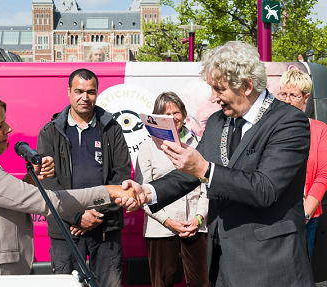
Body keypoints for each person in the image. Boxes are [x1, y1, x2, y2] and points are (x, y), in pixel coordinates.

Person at [123, 41, 315, 286]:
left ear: (246, 85)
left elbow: (265, 188)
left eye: (219, 89)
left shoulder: (289, 122)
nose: (213, 98)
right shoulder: (218, 121)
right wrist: (147, 192)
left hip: (270, 263)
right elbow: (189, 173)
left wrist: (204, 169)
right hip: (223, 263)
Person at [0, 92, 138, 276]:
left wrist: (33, 178)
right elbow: (50, 203)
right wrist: (110, 191)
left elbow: (9, 199)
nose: (9, 128)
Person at [37, 68, 131, 287]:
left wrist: (94, 217)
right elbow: (47, 181)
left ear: (97, 93)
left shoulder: (112, 128)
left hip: (106, 226)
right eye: (79, 91)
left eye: (91, 92)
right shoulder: (50, 132)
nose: (85, 97)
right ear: (69, 91)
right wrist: (77, 216)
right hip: (65, 229)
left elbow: (122, 176)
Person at [135, 92, 208, 287]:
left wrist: (199, 218)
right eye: (166, 114)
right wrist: (168, 221)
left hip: (195, 226)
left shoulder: (198, 144)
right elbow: (143, 193)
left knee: (201, 282)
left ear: (184, 115)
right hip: (160, 228)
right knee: (162, 282)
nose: (173, 117)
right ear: (157, 118)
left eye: (177, 112)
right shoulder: (147, 147)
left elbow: (206, 187)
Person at [277, 69, 327, 259]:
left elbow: (323, 175)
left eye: (294, 95)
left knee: (300, 272)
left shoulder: (319, 130)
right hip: (272, 218)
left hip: (306, 217)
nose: (287, 100)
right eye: (283, 94)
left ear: (306, 98)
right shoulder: (268, 128)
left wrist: (304, 216)